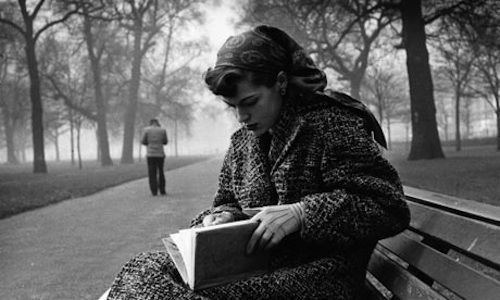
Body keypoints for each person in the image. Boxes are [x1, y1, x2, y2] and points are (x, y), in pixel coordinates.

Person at [107, 25, 410, 299]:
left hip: (317, 278)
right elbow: (227, 199)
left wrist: (302, 213)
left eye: (249, 102)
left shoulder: (330, 124)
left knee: (149, 288)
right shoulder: (242, 142)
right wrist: (221, 217)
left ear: (280, 82)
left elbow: (388, 206)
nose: (241, 117)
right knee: (145, 267)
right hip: (257, 268)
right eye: (233, 107)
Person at [141, 118, 168, 196]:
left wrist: (149, 143)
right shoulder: (162, 130)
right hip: (160, 154)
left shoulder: (146, 130)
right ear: (157, 123)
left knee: (152, 172)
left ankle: (154, 191)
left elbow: (143, 141)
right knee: (161, 171)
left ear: (150, 123)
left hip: (150, 154)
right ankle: (162, 190)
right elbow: (165, 142)